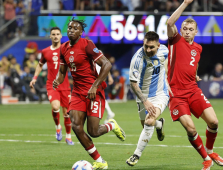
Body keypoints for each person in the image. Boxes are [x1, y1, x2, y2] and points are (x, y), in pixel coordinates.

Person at [53, 18, 125, 170]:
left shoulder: (87, 45)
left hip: (94, 92)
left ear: (81, 32)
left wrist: (94, 86)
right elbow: (62, 72)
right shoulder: (63, 48)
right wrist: (57, 81)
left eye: (75, 28)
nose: (71, 30)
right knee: (76, 126)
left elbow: (107, 64)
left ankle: (111, 125)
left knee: (94, 131)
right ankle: (100, 161)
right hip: (78, 93)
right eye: (70, 27)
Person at [167, 0, 223, 169]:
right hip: (177, 93)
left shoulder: (198, 48)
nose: (186, 32)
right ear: (180, 30)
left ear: (196, 32)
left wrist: (195, 74)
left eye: (190, 29)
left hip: (193, 89)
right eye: (184, 28)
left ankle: (210, 150)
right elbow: (170, 22)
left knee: (214, 122)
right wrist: (185, 3)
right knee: (191, 129)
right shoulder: (175, 40)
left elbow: (193, 63)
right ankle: (206, 158)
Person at [126, 31, 168, 166]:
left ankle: (136, 155)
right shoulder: (137, 59)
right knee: (146, 124)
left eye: (151, 47)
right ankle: (160, 124)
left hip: (160, 94)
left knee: (149, 122)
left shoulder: (164, 51)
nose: (148, 50)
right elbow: (133, 84)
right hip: (142, 95)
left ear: (158, 46)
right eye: (146, 46)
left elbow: (168, 63)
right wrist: (145, 100)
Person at [29, 27, 74, 145]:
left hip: (65, 85)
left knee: (67, 113)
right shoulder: (45, 51)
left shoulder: (67, 49)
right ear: (50, 36)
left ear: (61, 36)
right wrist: (34, 78)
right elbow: (39, 65)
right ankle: (58, 127)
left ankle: (68, 136)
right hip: (52, 85)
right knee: (55, 106)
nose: (55, 36)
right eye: (53, 34)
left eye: (57, 34)